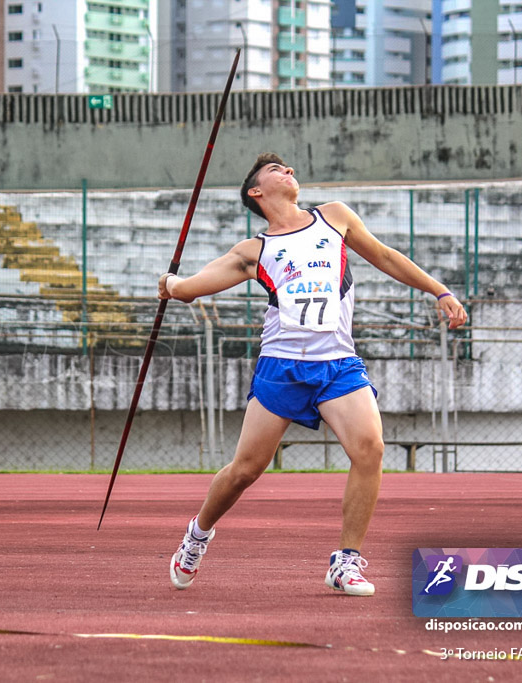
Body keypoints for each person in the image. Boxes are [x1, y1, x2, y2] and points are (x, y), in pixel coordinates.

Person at [158, 153, 467, 596]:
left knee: (370, 449)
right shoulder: (254, 251)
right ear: (256, 192)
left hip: (337, 362)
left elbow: (384, 255)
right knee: (246, 470)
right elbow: (189, 289)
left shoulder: (334, 218)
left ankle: (346, 562)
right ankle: (197, 535)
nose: (288, 171)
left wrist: (439, 290)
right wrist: (168, 284)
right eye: (274, 169)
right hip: (282, 367)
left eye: (288, 167)